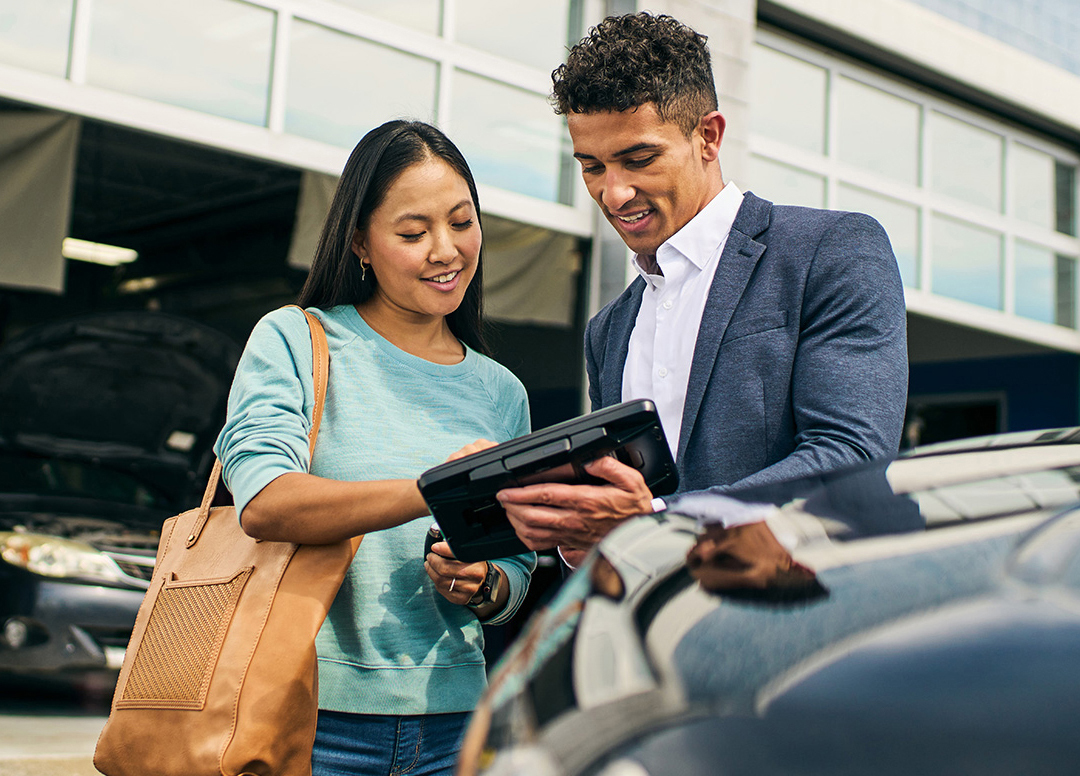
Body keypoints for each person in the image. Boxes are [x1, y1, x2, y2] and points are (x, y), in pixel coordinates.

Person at [497, 12, 908, 567]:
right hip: (655, 632)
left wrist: (660, 523)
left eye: (638, 159)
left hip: (802, 621)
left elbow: (850, 456)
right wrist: (574, 532)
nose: (613, 194)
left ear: (708, 137)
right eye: (591, 166)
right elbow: (620, 506)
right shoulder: (608, 330)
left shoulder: (830, 251)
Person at [214, 120, 536, 776]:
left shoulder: (502, 392)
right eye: (414, 233)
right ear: (360, 242)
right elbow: (266, 502)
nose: (446, 251)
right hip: (307, 718)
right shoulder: (296, 341)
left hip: (455, 726)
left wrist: (485, 584)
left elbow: (517, 565)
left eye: (462, 222)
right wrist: (433, 490)